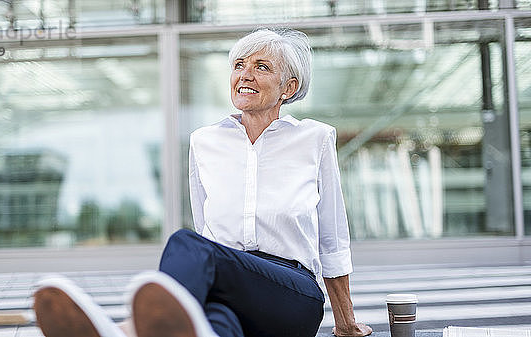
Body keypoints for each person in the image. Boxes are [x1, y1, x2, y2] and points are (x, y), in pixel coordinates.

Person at [33, 28, 373, 337]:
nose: (245, 75)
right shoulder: (204, 142)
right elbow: (208, 228)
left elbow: (332, 238)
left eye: (262, 67)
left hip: (292, 295)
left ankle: (125, 331)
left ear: (289, 88)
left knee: (187, 243)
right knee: (213, 323)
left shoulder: (315, 139)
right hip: (229, 287)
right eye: (239, 65)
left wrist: (345, 323)